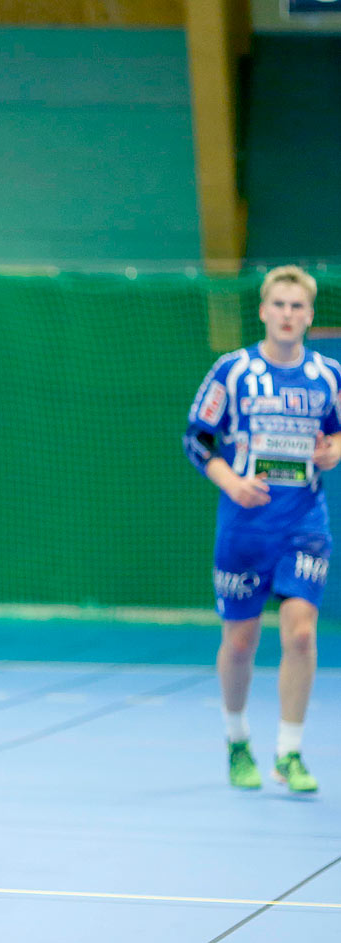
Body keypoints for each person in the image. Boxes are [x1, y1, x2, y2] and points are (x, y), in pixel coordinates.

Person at [184, 264, 341, 794]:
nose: (288, 314)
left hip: (304, 522)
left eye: (298, 307)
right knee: (242, 640)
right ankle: (236, 739)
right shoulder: (233, 371)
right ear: (263, 310)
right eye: (280, 304)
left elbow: (337, 436)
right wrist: (230, 481)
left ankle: (289, 752)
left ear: (310, 314)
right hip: (245, 526)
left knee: (300, 633)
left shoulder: (327, 376)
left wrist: (334, 450)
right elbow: (196, 438)